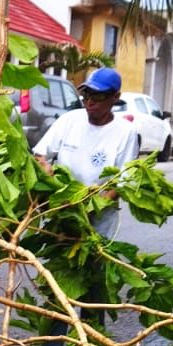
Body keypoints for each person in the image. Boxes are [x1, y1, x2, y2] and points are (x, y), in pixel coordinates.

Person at [33, 66, 139, 238]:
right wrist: (44, 167)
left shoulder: (125, 132)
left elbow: (121, 182)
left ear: (115, 97)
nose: (90, 102)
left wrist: (87, 209)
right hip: (62, 215)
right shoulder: (69, 120)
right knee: (58, 264)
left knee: (94, 263)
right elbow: (40, 154)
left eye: (97, 96)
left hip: (99, 220)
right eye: (86, 95)